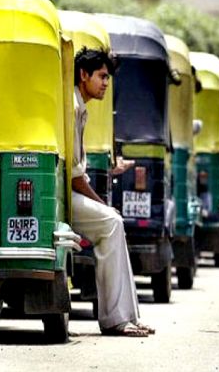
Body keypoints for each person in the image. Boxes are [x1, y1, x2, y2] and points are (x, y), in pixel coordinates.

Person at [71, 47, 154, 337]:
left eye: (108, 78)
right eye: (102, 76)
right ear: (83, 75)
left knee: (114, 224)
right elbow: (74, 177)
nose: (105, 83)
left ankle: (128, 315)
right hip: (63, 199)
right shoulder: (72, 107)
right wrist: (102, 203)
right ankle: (115, 319)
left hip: (70, 194)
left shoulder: (80, 108)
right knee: (112, 222)